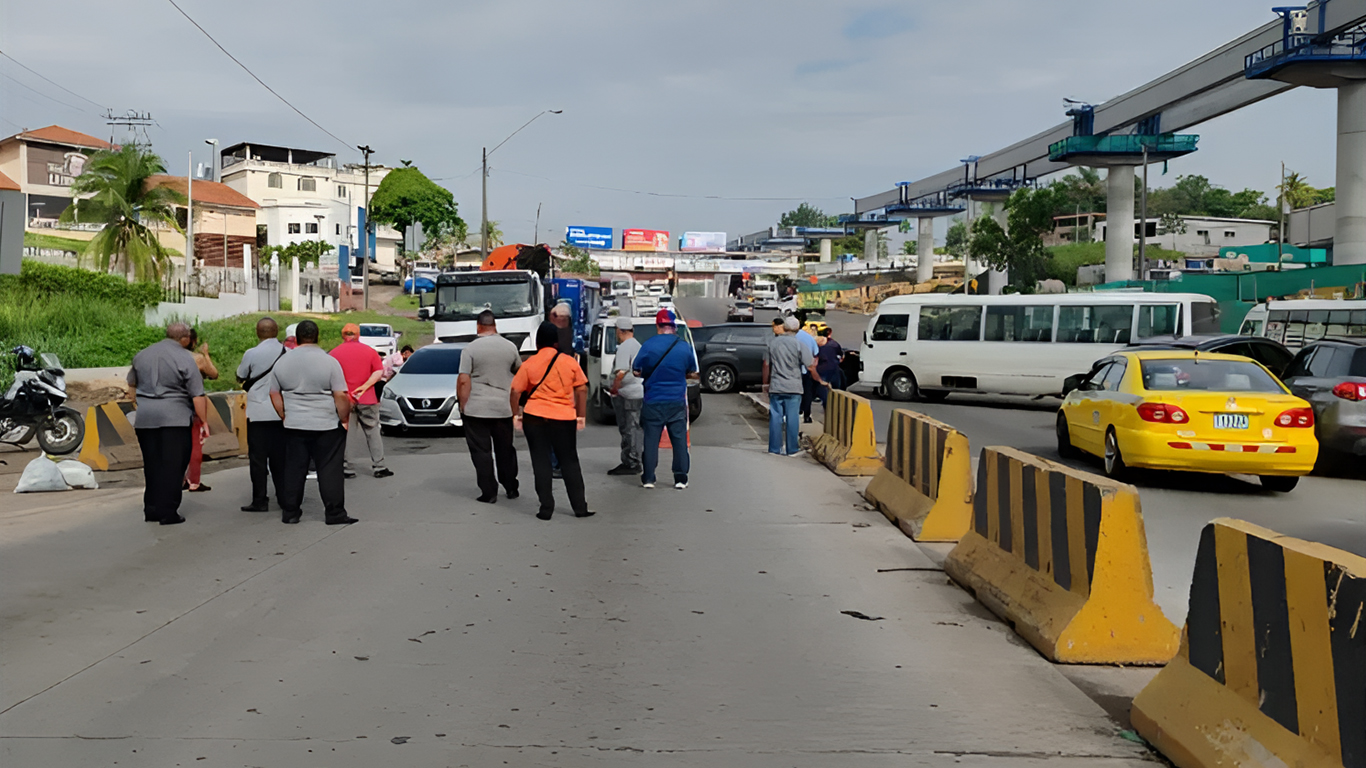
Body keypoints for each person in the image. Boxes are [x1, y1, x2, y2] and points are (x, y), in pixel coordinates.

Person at [267, 320, 357, 525]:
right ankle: (334, 513)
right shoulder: (329, 362)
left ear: (297, 338)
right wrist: (343, 418)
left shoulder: (282, 362)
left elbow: (274, 392)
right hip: (325, 424)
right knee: (330, 469)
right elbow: (341, 396)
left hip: (294, 424)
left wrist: (284, 414)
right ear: (317, 337)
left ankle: (290, 512)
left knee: (293, 468)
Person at [127, 322, 209, 525]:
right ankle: (168, 512)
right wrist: (204, 422)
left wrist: (142, 405)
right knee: (173, 465)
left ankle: (152, 508)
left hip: (146, 419)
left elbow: (131, 385)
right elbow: (197, 395)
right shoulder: (186, 358)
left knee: (152, 464)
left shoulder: (142, 355)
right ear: (186, 338)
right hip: (176, 419)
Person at [510, 322, 592, 521]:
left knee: (541, 462)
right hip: (563, 418)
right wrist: (580, 415)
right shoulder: (569, 362)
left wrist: (516, 414)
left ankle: (546, 508)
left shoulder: (529, 363)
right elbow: (581, 389)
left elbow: (515, 391)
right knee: (569, 461)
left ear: (538, 342)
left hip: (535, 417)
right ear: (557, 341)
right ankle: (580, 507)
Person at [458, 310, 522, 503]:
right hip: (502, 408)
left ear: (478, 326)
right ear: (495, 326)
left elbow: (463, 380)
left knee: (481, 452)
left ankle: (489, 492)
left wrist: (463, 405)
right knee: (505, 450)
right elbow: (519, 373)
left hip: (477, 409)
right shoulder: (510, 347)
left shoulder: (470, 349)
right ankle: (511, 487)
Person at [633, 308, 698, 490]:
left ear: (658, 325)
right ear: (674, 326)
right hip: (676, 400)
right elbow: (692, 371)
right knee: (679, 441)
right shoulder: (684, 346)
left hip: (653, 400)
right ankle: (680, 478)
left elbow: (636, 369)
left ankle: (648, 478)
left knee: (651, 441)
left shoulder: (648, 345)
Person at [236, 317, 287, 512]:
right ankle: (283, 498)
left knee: (258, 460)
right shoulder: (287, 352)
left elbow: (241, 374)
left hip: (257, 414)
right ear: (277, 331)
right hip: (280, 413)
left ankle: (260, 500)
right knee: (280, 459)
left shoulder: (252, 353)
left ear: (258, 333)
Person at [330, 323, 392, 479]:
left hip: (344, 399)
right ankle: (379, 466)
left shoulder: (333, 354)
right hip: (367, 398)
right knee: (373, 431)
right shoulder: (370, 352)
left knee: (348, 433)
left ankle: (347, 468)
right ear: (358, 335)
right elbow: (379, 372)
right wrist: (364, 387)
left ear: (343, 335)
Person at [763, 317, 821, 457]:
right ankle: (792, 449)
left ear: (785, 327)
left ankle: (774, 448)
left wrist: (765, 383)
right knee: (792, 418)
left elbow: (766, 364)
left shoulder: (772, 343)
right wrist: (819, 380)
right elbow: (809, 365)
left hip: (776, 386)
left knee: (775, 418)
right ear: (797, 329)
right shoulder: (799, 344)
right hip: (794, 386)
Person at [183, 327, 219, 493]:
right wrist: (206, 354)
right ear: (194, 342)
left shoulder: (167, 358)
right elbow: (214, 374)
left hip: (172, 406)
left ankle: (180, 479)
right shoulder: (197, 359)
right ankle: (194, 481)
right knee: (195, 445)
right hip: (192, 405)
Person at [607, 317, 644, 476]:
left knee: (628, 428)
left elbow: (621, 372)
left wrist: (614, 389)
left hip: (628, 393)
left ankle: (631, 461)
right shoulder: (638, 345)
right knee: (636, 428)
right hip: (640, 391)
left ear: (619, 331)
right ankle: (636, 459)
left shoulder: (624, 347)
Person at [794, 311, 820, 424]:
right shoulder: (808, 338)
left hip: (792, 372)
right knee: (807, 393)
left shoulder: (789, 337)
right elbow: (816, 354)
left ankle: (796, 412)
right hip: (807, 371)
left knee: (794, 394)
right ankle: (807, 415)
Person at [815, 328, 845, 402]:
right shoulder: (834, 344)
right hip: (833, 367)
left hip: (821, 368)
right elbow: (841, 356)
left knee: (822, 387)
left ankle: (823, 399)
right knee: (837, 388)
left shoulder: (816, 345)